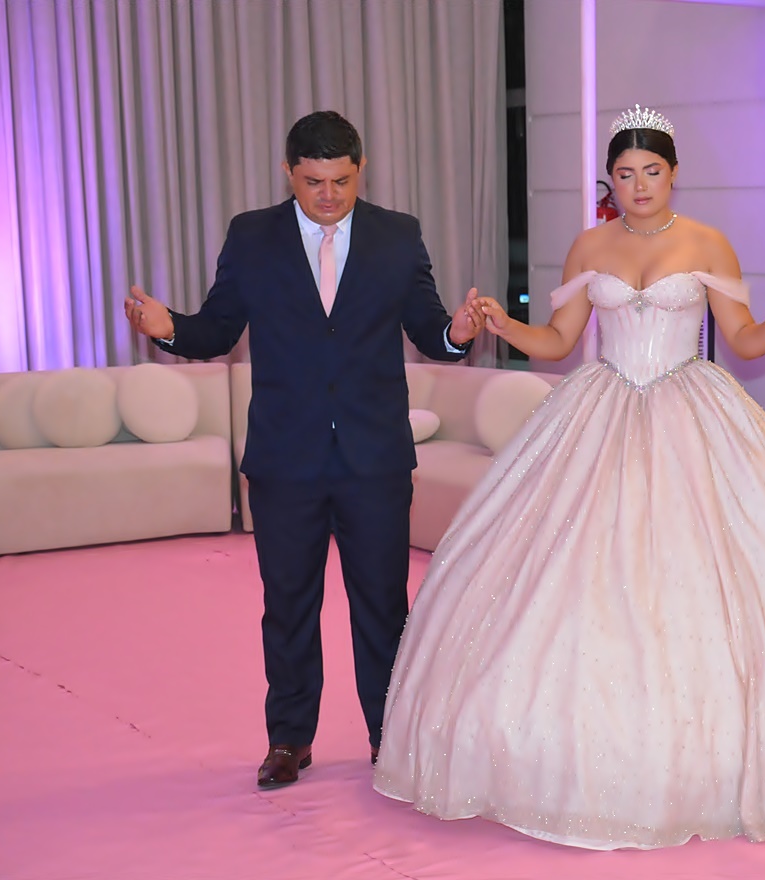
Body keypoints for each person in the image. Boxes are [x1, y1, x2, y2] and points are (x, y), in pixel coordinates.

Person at [373, 105, 765, 849]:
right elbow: (558, 341)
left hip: (690, 407)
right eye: (624, 173)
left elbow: (742, 340)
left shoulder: (706, 242)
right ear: (609, 179)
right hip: (601, 404)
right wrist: (504, 326)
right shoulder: (589, 245)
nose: (639, 185)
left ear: (673, 174)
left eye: (652, 171)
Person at [125, 110, 488, 788]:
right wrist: (166, 326)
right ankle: (289, 739)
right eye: (314, 181)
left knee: (383, 607)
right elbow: (217, 329)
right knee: (288, 605)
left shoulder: (397, 234)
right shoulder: (252, 235)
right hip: (284, 458)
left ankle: (390, 738)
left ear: (361, 170)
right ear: (289, 172)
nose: (329, 195)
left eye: (342, 181)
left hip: (374, 459)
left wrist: (459, 333)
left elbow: (430, 330)